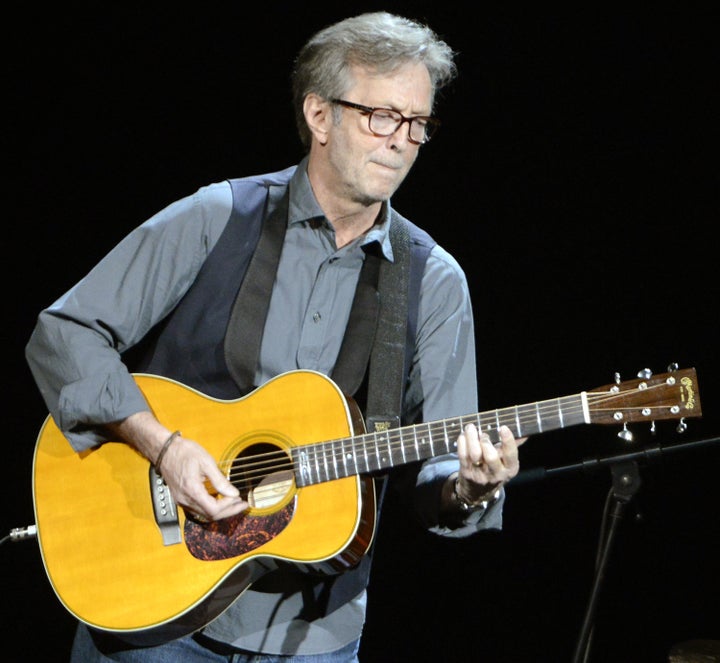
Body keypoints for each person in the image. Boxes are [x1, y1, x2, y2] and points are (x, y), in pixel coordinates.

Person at [26, 11, 524, 663]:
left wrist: (472, 485)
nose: (401, 140)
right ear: (320, 116)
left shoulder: (434, 279)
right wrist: (164, 446)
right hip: (152, 606)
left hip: (311, 637)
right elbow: (65, 332)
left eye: (417, 123)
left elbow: (438, 474)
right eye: (382, 116)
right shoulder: (219, 216)